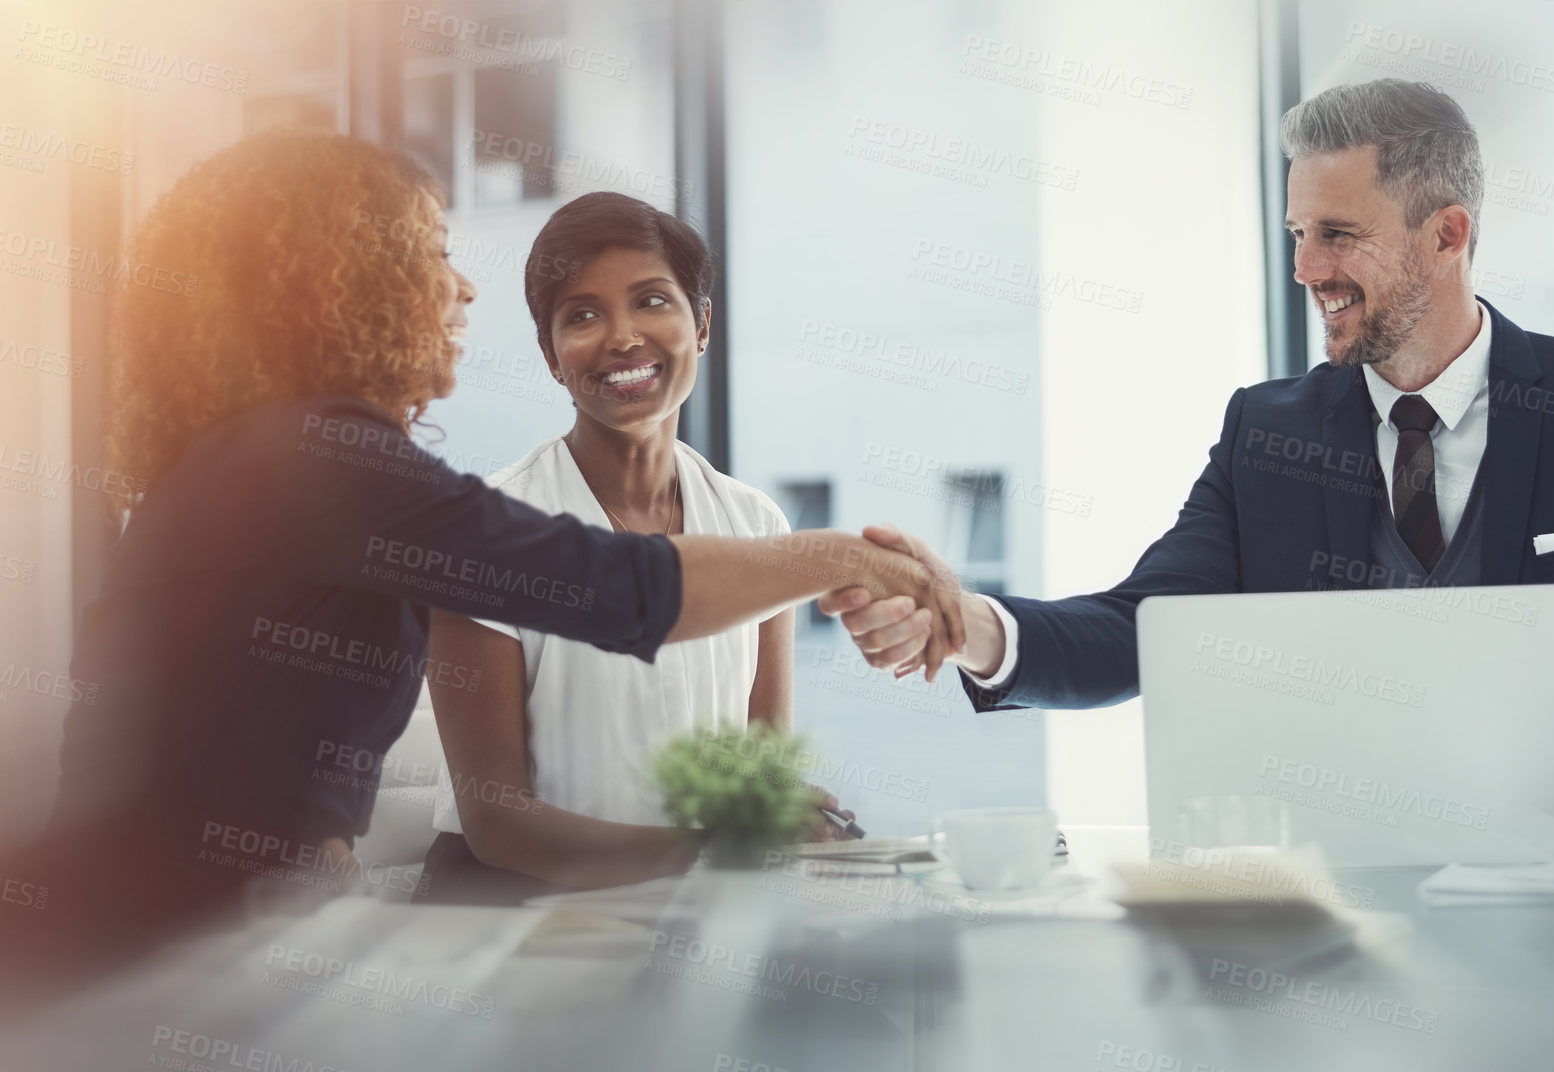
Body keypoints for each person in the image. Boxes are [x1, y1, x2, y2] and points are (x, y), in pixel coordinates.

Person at [0, 130, 961, 989]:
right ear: (344, 282)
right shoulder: (316, 457)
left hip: (165, 934)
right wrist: (842, 555)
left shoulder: (262, 451)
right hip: (144, 960)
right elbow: (614, 586)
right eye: (431, 257)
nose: (460, 289)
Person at [823, 79, 1554, 848]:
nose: (1305, 271)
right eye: (1297, 234)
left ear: (1447, 234)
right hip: (1340, 936)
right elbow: (1141, 626)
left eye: (1337, 235)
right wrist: (974, 625)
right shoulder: (1267, 433)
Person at [418, 193, 840, 901]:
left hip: (680, 909)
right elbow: (496, 823)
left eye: (651, 301)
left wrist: (786, 811)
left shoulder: (756, 524)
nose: (621, 337)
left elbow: (758, 771)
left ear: (701, 325)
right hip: (507, 911)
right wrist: (708, 852)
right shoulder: (487, 529)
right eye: (581, 315)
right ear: (551, 356)